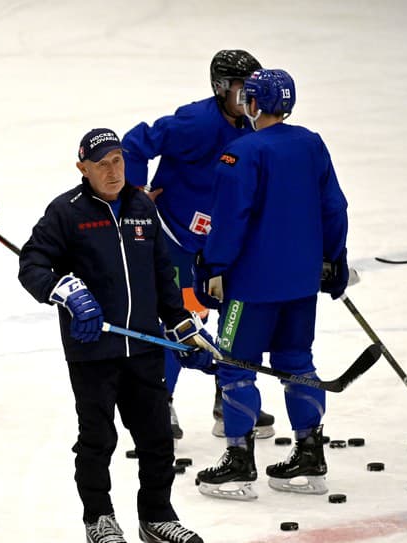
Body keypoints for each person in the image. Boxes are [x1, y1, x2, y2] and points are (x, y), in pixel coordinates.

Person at [18, 128, 209, 543]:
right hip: (93, 350)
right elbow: (32, 264)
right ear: (82, 168)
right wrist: (64, 290)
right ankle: (98, 519)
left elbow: (162, 273)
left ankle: (157, 516)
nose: (112, 171)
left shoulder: (141, 205)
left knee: (157, 437)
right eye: (101, 164)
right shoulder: (66, 212)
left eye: (117, 160)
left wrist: (180, 323)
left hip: (143, 345)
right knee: (97, 438)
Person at [193, 69, 349, 501]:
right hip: (300, 284)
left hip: (250, 288)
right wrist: (333, 258)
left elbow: (229, 218)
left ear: (255, 104)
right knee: (297, 360)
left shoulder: (241, 152)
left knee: (235, 365)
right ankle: (309, 455)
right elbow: (334, 206)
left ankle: (239, 464)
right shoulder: (311, 143)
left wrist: (212, 266)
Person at [122, 49, 275, 441]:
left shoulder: (256, 128)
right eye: (244, 91)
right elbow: (136, 143)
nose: (252, 101)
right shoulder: (195, 122)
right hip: (175, 238)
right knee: (175, 321)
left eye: (255, 91)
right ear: (221, 88)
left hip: (224, 244)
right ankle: (161, 403)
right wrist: (135, 196)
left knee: (232, 319)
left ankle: (229, 401)